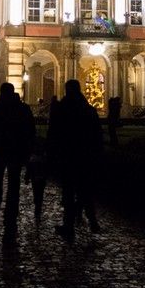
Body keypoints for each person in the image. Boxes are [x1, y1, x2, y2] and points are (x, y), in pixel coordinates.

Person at [47, 79, 103, 242]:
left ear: (67, 90)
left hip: (68, 156)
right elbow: (97, 135)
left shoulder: (62, 109)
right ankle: (93, 221)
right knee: (85, 190)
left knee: (69, 192)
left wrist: (51, 152)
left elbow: (54, 132)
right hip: (85, 156)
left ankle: (69, 226)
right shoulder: (88, 109)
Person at [0, 82, 36, 240]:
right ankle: (11, 215)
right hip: (16, 152)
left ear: (1, 92)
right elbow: (30, 131)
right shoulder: (23, 108)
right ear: (13, 92)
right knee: (14, 185)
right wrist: (27, 150)